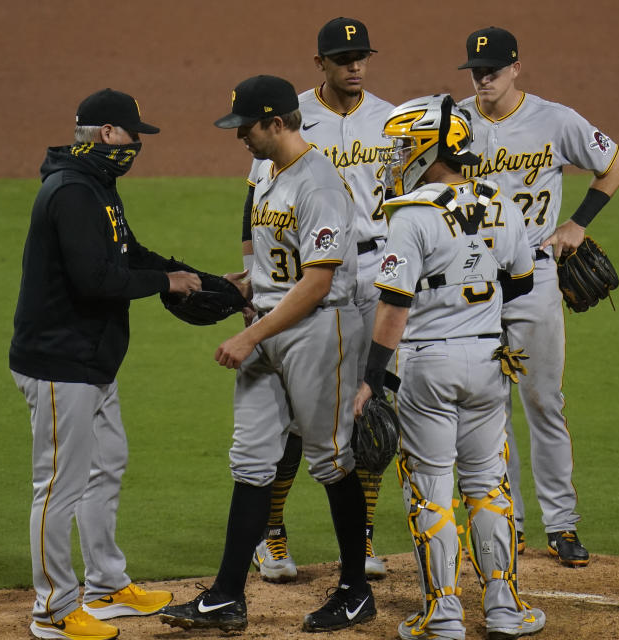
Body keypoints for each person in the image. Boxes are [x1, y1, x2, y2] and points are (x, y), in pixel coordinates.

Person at [159, 75, 376, 633]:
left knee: (330, 458)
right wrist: (241, 289)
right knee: (252, 459)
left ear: (276, 122)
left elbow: (319, 281)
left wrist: (249, 335)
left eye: (246, 127)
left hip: (320, 329)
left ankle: (355, 591)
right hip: (273, 323)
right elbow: (282, 270)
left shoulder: (320, 183)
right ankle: (227, 595)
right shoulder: (268, 175)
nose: (240, 138)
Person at [9, 88, 211, 640]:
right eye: (132, 135)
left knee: (106, 466)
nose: (137, 146)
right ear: (106, 133)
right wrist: (164, 284)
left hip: (92, 361)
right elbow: (94, 279)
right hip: (59, 363)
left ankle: (105, 585)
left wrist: (201, 278)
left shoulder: (98, 185)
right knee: (57, 485)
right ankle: (52, 611)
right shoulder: (71, 191)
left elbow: (129, 254)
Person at [354, 93, 543, 640]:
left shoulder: (411, 215)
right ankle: (505, 610)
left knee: (431, 488)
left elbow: (393, 305)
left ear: (428, 149)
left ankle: (444, 614)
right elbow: (522, 280)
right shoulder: (503, 204)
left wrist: (371, 376)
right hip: (488, 362)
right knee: (489, 485)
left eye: (403, 145)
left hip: (426, 368)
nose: (395, 155)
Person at [457, 26, 619, 566]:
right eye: (475, 71)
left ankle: (562, 525)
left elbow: (615, 164)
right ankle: (506, 521)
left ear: (515, 68)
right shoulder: (454, 122)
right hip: (472, 282)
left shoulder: (554, 119)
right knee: (487, 406)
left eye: (492, 70)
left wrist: (576, 224)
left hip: (534, 275)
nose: (483, 79)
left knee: (542, 403)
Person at [243, 16, 395, 584]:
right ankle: (273, 535)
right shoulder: (287, 116)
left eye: (362, 56)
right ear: (321, 64)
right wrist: (253, 280)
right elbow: (254, 206)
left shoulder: (393, 120)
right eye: (342, 57)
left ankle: (364, 537)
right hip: (303, 277)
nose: (355, 65)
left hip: (377, 272)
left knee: (369, 405)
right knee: (291, 417)